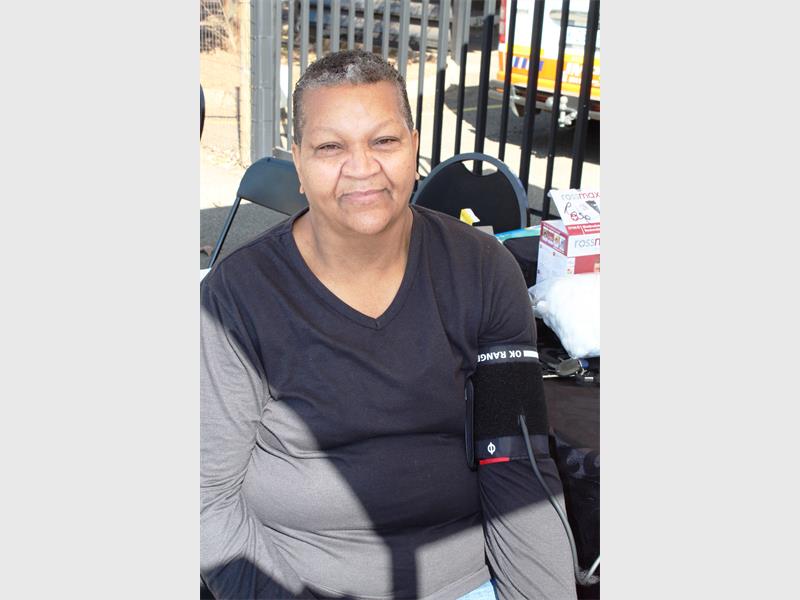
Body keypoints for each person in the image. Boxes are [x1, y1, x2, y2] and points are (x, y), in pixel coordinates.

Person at [200, 49, 576, 599]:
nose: (362, 168)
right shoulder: (237, 298)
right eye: (330, 147)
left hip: (465, 581)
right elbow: (206, 497)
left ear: (414, 147)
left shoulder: (482, 270)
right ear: (297, 163)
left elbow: (516, 464)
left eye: (384, 141)